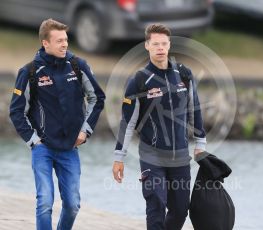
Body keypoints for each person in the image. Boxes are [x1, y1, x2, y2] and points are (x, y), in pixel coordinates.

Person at [9, 18, 105, 230]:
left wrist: (85, 131)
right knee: (44, 202)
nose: (64, 44)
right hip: (42, 148)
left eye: (66, 40)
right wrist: (34, 141)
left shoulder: (78, 66)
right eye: (59, 40)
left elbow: (97, 98)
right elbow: (16, 112)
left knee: (72, 205)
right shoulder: (29, 72)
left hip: (70, 148)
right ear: (46, 43)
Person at [112, 23, 207, 230]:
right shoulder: (138, 81)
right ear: (147, 46)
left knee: (181, 209)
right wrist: (119, 157)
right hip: (151, 156)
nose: (160, 48)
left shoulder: (184, 74)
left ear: (170, 44)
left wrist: (201, 142)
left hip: (180, 155)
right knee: (156, 203)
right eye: (155, 44)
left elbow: (195, 110)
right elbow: (127, 123)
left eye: (164, 43)